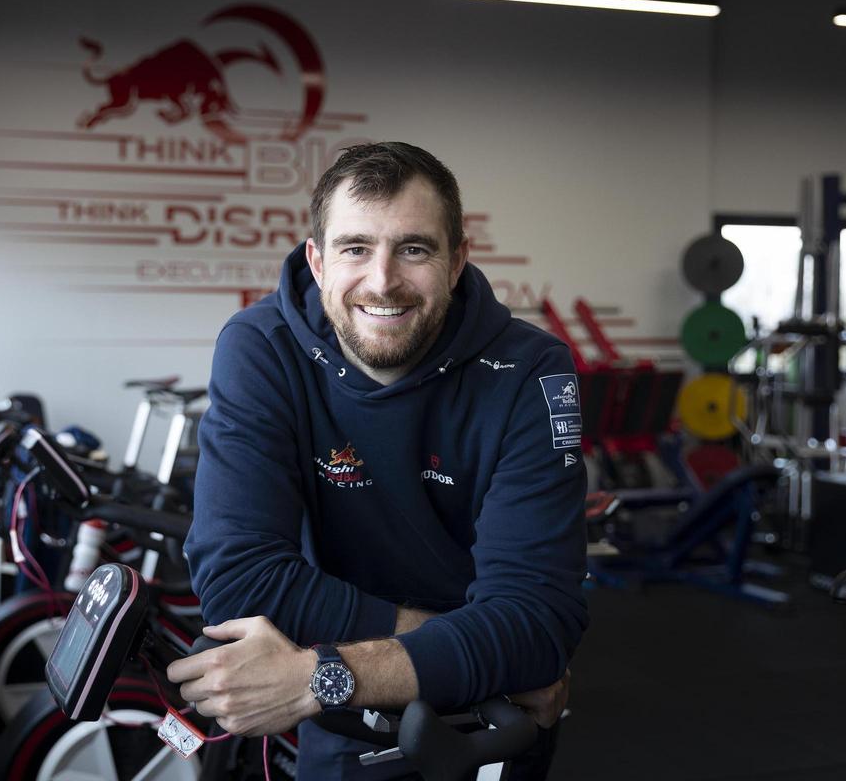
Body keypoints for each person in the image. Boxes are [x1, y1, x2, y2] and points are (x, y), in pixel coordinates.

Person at [166, 142, 588, 779]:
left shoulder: (531, 370)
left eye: (414, 248)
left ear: (456, 261)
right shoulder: (260, 348)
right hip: (389, 715)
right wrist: (478, 653)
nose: (383, 279)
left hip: (488, 729)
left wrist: (328, 671)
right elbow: (240, 582)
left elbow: (535, 620)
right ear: (316, 261)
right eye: (355, 248)